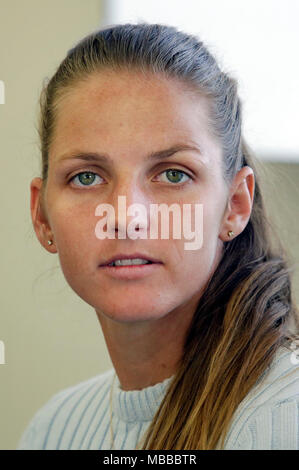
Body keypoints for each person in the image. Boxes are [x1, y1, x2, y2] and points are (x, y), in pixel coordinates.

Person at [17, 23, 299, 450]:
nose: (128, 216)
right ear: (42, 217)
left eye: (173, 174)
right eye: (87, 177)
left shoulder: (284, 419)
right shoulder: (52, 430)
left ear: (235, 205)